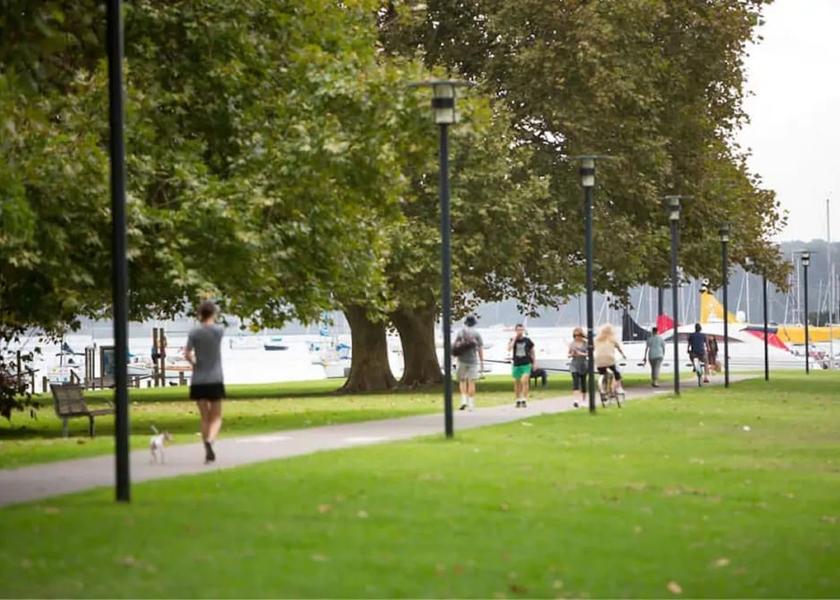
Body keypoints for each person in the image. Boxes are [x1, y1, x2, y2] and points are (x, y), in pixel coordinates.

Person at [184, 300, 225, 464]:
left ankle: (205, 445)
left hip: (198, 380)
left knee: (204, 417)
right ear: (214, 313)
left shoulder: (194, 333)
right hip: (215, 378)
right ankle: (210, 441)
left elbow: (187, 353)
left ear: (200, 314)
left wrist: (194, 363)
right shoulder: (219, 331)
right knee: (217, 417)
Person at [454, 316, 484, 411]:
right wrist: (482, 361)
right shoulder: (477, 334)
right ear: (474, 323)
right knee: (471, 382)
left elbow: (455, 347)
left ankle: (463, 401)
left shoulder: (460, 332)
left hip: (461, 360)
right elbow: (480, 349)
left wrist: (454, 359)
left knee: (462, 380)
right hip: (473, 361)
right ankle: (471, 404)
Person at [508, 324, 536, 408]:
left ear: (523, 330)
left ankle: (524, 399)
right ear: (515, 330)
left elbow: (532, 351)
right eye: (518, 330)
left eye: (521, 330)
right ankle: (518, 399)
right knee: (517, 383)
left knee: (524, 380)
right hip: (516, 364)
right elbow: (509, 348)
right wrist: (514, 339)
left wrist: (534, 362)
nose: (520, 331)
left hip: (526, 363)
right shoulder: (513, 340)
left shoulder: (527, 340)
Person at [593, 323, 626, 394]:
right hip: (610, 360)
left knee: (603, 373)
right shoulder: (612, 339)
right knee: (617, 373)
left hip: (599, 361)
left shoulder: (596, 340)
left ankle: (602, 389)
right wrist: (623, 355)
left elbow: (592, 349)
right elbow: (619, 348)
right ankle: (618, 388)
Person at [568, 327, 588, 407]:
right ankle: (576, 400)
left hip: (583, 364)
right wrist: (572, 354)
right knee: (575, 382)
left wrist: (581, 353)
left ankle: (584, 400)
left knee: (583, 383)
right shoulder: (572, 344)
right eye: (575, 335)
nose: (577, 337)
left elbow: (588, 354)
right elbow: (568, 354)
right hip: (574, 364)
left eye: (579, 335)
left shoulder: (585, 343)